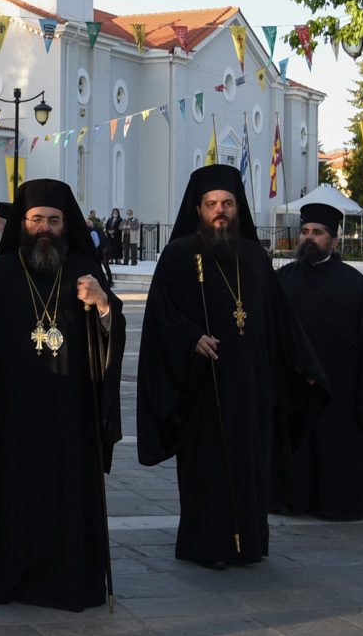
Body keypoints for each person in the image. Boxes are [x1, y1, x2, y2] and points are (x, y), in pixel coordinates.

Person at [0, 180, 124, 610]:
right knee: (16, 500)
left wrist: (103, 305)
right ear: (23, 224)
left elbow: (110, 333)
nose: (45, 228)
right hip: (13, 417)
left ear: (66, 224)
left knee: (68, 497)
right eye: (37, 219)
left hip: (71, 418)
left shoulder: (85, 269)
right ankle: (12, 575)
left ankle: (69, 576)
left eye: (54, 220)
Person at [135, 165, 326, 568]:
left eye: (227, 203)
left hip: (252, 388)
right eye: (211, 204)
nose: (219, 210)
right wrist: (191, 337)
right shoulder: (178, 255)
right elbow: (160, 317)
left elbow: (280, 320)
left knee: (250, 465)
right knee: (207, 466)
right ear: (198, 209)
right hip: (203, 387)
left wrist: (302, 364)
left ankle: (249, 544)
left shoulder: (255, 257)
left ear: (238, 208)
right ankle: (205, 546)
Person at [271, 202, 363, 520]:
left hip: (340, 391)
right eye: (305, 231)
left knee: (336, 451)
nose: (309, 238)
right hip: (294, 388)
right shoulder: (281, 280)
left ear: (333, 240)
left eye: (317, 232)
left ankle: (337, 502)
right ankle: (290, 499)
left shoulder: (355, 286)